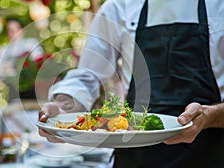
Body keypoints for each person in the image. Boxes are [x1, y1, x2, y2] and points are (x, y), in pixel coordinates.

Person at [38, 0, 224, 167]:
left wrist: (210, 115)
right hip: (135, 158)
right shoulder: (119, 7)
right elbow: (88, 77)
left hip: (212, 154)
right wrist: (63, 109)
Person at [0, 18, 44, 103]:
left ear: (22, 30)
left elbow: (38, 63)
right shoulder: (4, 49)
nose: (12, 32)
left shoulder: (31, 43)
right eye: (10, 30)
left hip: (32, 90)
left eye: (15, 29)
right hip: (13, 90)